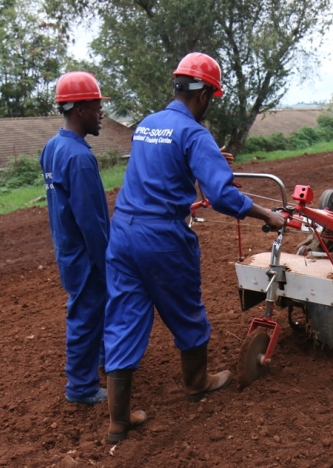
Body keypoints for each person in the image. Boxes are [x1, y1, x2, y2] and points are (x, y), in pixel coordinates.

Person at [102, 52, 285, 442]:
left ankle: (118, 422)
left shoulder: (148, 124)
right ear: (203, 96)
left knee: (123, 318)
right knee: (186, 310)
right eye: (211, 99)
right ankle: (197, 383)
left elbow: (162, 165)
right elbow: (221, 195)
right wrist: (267, 215)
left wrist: (209, 159)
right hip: (161, 238)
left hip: (123, 233)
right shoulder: (195, 134)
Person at [39, 71, 111, 405]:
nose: (101, 113)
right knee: (85, 314)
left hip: (66, 246)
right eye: (96, 106)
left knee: (92, 309)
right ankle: (81, 388)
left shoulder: (52, 147)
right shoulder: (80, 158)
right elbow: (91, 221)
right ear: (80, 110)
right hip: (85, 252)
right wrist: (107, 262)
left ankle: (103, 359)